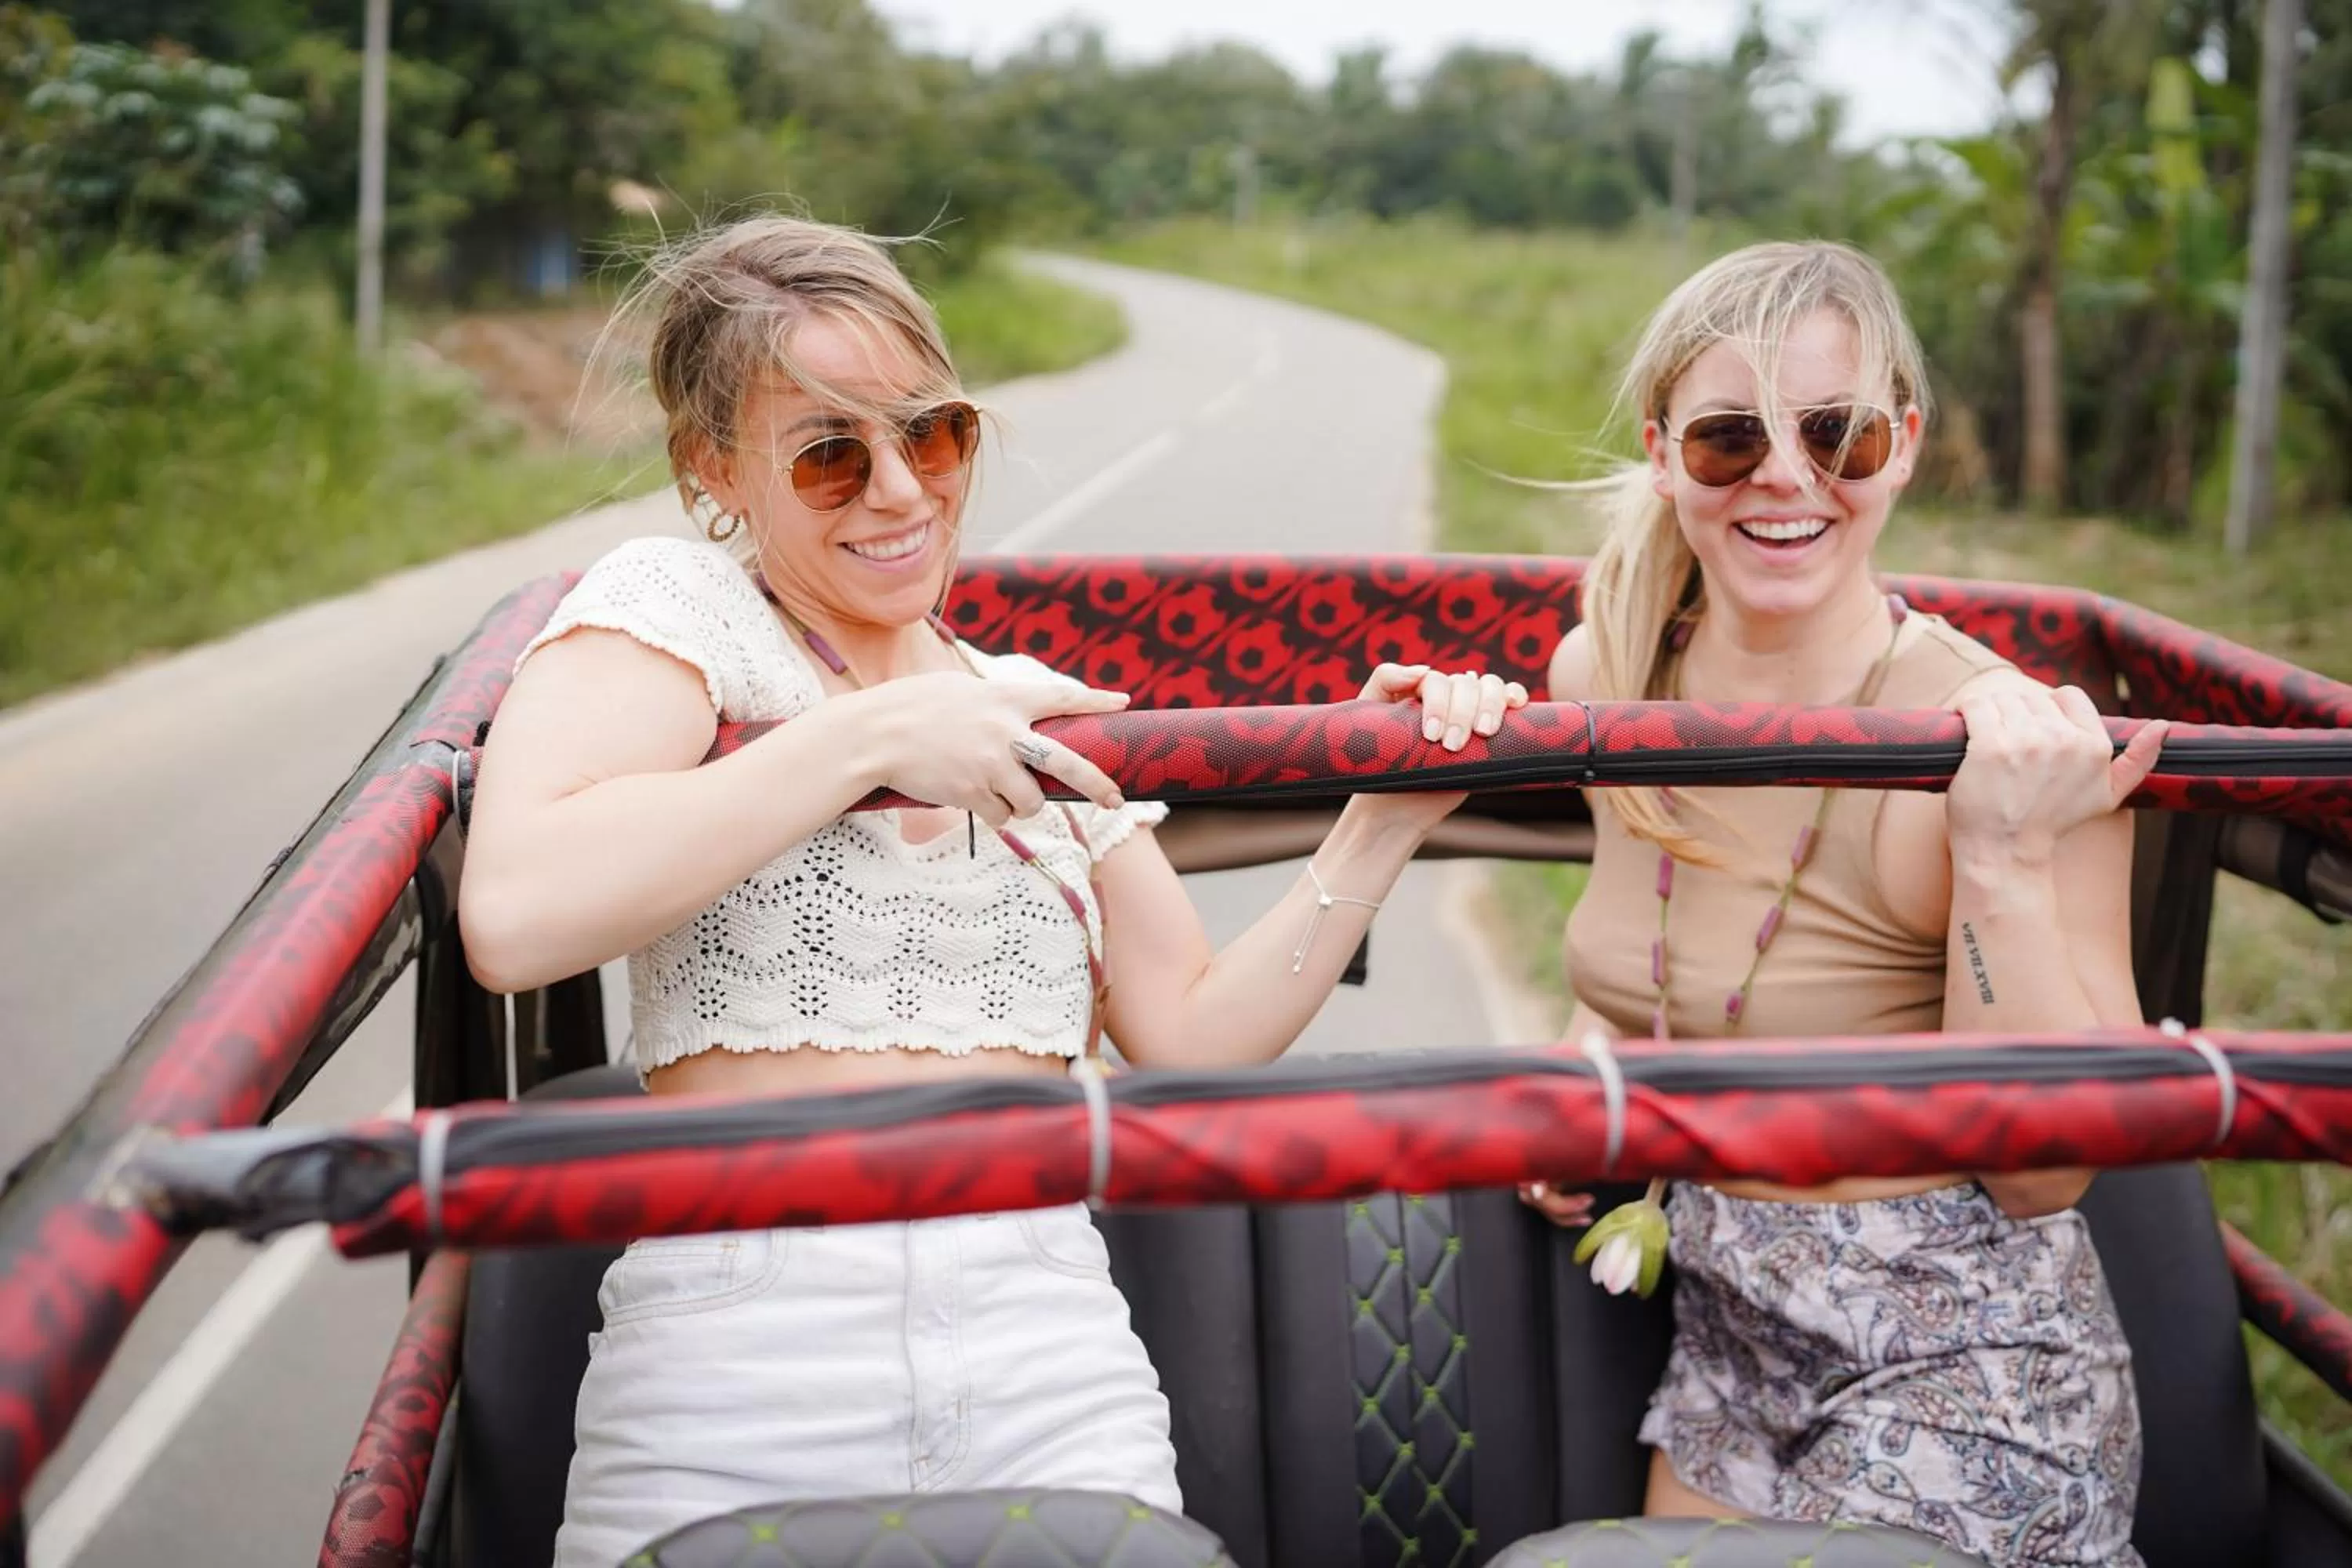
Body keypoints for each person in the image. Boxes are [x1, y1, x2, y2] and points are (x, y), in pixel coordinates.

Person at [456, 212, 1526, 1568]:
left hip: (1049, 1354)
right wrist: (870, 742)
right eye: (833, 455)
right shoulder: (681, 611)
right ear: (712, 468)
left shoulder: (1017, 707)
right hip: (742, 1361)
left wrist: (1385, 820)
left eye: (936, 433)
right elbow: (515, 913)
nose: (901, 492)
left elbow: (1190, 1029)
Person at [1519, 240, 2165, 1568]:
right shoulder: (1610, 667)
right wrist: (1596, 1085)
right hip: (1727, 1331)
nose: (1786, 477)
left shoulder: (2007, 739)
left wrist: (1998, 854)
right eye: (1727, 440)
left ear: (1905, 446)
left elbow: (2051, 1168)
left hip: (1966, 1362)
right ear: (1661, 451)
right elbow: (1666, 965)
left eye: (1840, 435)